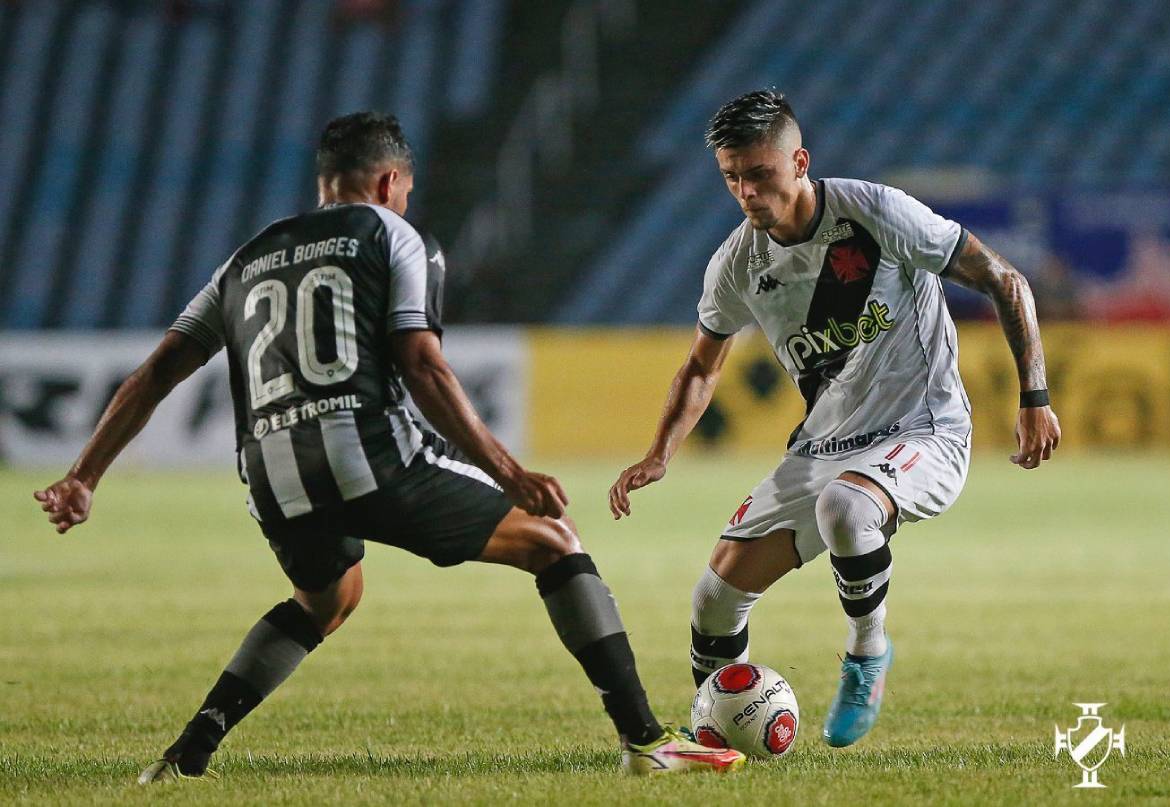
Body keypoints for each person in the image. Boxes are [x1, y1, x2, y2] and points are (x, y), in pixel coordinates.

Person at [34, 112, 744, 780]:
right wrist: (508, 469)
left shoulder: (247, 258)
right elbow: (422, 362)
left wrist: (83, 475)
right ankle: (646, 740)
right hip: (364, 452)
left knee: (327, 599)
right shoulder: (392, 236)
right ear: (387, 183)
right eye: (403, 189)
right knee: (554, 538)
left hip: (270, 473)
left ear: (325, 182)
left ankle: (186, 755)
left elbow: (158, 369)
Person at [608, 90, 1061, 748]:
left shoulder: (876, 213)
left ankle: (866, 655)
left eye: (760, 174)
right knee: (713, 597)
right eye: (732, 177)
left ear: (799, 161)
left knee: (845, 510)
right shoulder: (737, 264)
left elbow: (1003, 277)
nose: (747, 193)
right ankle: (717, 733)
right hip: (823, 447)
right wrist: (659, 453)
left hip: (923, 429)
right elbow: (702, 367)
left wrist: (1035, 395)